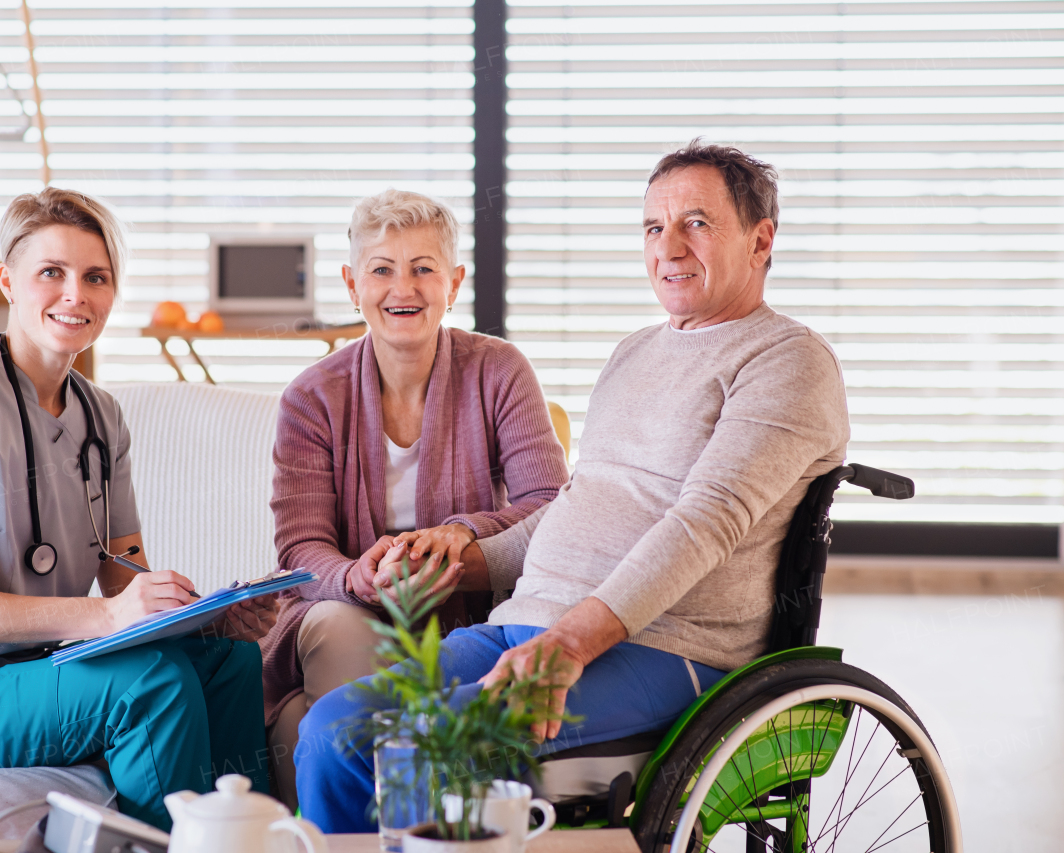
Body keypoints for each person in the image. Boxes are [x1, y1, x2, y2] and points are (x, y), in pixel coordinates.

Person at [295, 141, 854, 832]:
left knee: (429, 749)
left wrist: (566, 646)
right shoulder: (635, 351)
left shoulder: (787, 360)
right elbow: (575, 503)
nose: (670, 246)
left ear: (761, 239)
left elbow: (703, 523)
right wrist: (458, 552)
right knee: (332, 731)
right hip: (526, 623)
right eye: (654, 227)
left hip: (666, 646)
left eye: (697, 223)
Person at [0, 187, 278, 831]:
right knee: (148, 686)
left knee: (227, 663)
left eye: (96, 277)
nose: (77, 295)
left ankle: (244, 842)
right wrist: (107, 613)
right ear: (8, 280)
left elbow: (124, 576)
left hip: (23, 670)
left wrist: (207, 620)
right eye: (52, 273)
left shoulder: (102, 415)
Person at [262, 189, 570, 809]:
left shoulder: (500, 370)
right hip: (350, 606)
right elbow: (301, 547)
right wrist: (356, 576)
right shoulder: (310, 398)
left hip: (474, 609)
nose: (403, 287)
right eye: (382, 269)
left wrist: (460, 533)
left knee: (301, 721)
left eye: (423, 268)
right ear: (353, 285)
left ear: (452, 284)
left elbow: (550, 506)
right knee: (335, 635)